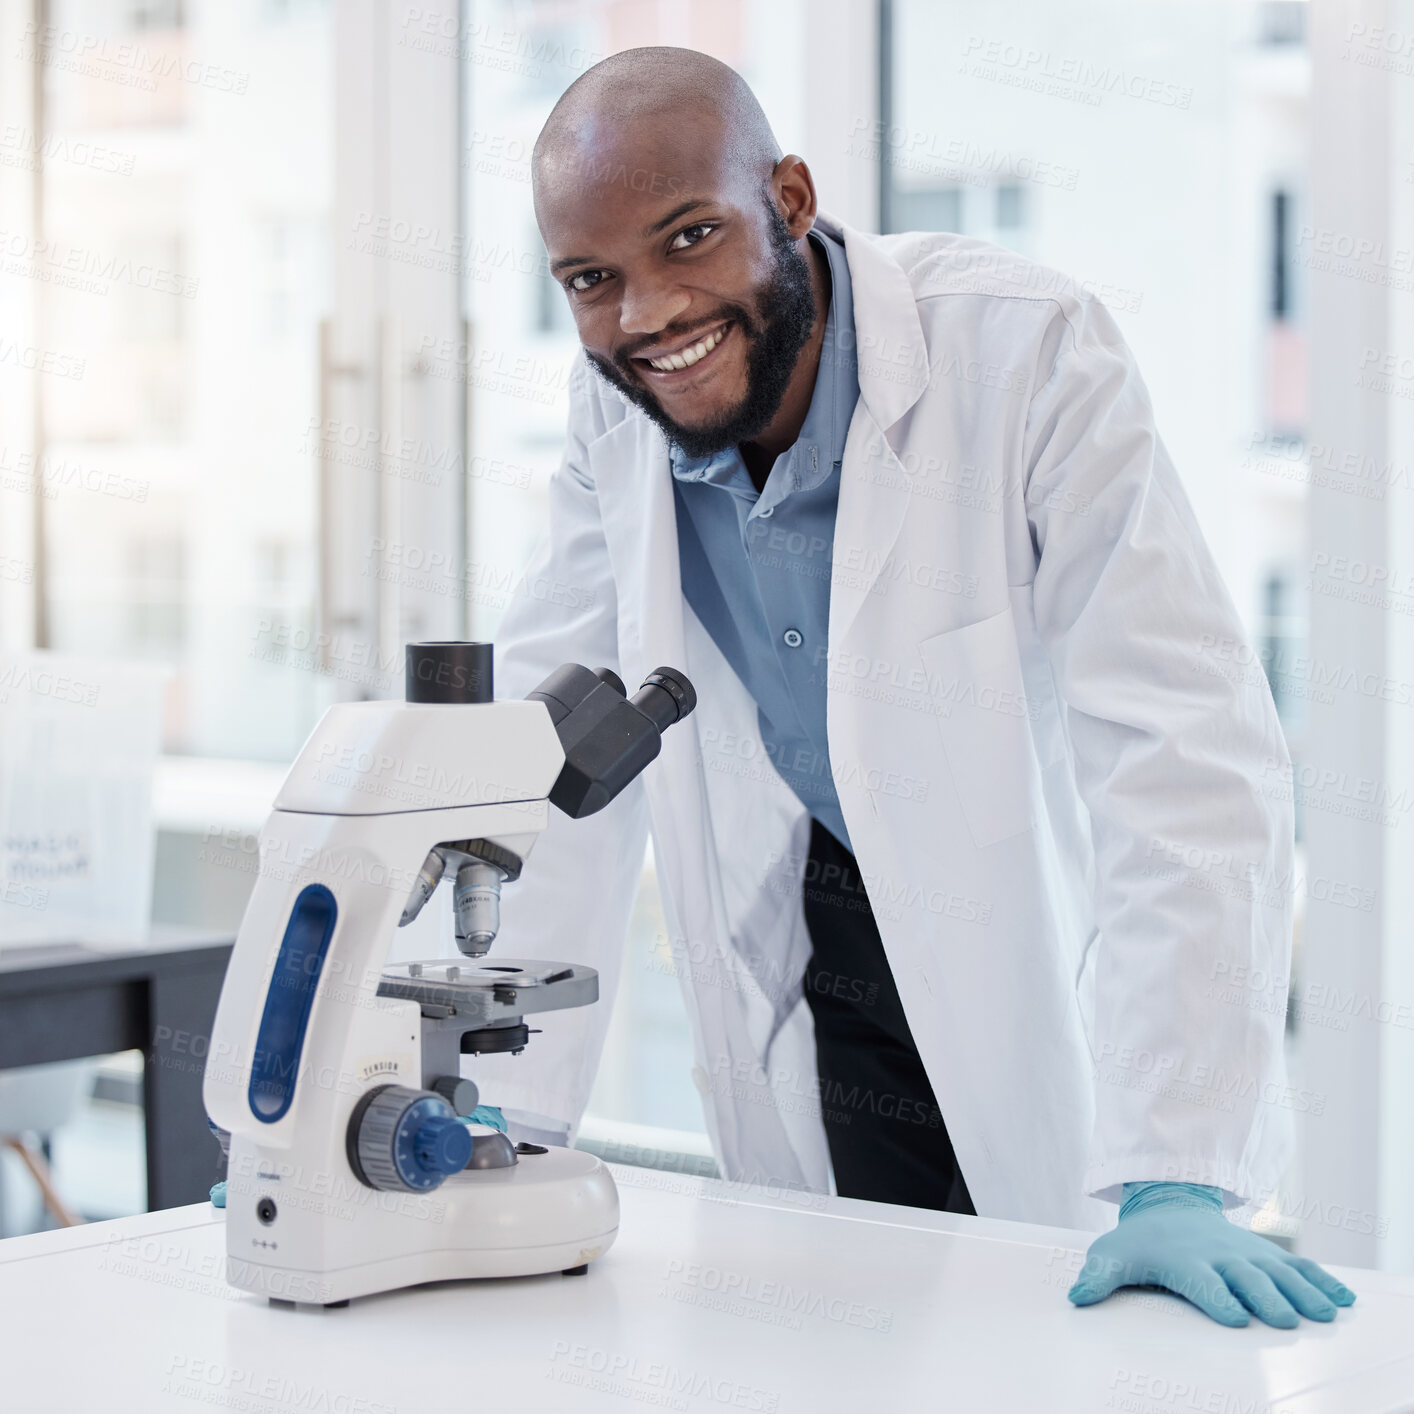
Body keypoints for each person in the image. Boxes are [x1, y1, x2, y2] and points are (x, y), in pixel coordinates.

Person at [470, 46, 1354, 1329]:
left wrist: (1178, 1166)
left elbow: (1184, 749)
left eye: (688, 236)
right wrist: (467, 1119)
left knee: (1057, 1341)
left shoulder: (1022, 348)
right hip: (818, 926)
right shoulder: (617, 412)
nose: (647, 312)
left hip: (1013, 924)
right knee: (867, 1330)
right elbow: (546, 758)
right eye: (592, 279)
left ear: (788, 195)